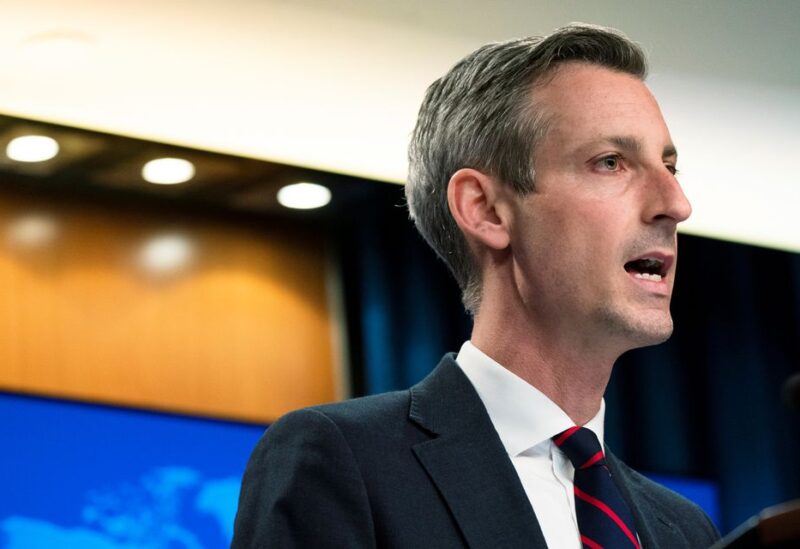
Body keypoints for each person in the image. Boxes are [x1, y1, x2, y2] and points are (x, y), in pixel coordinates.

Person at [232, 24, 721, 548]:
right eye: (610, 162)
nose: (676, 204)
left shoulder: (686, 531)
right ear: (486, 210)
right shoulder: (345, 460)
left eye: (670, 167)